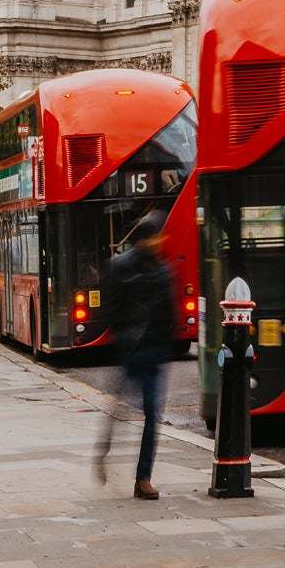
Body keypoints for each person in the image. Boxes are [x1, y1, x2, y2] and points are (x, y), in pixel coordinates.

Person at [93, 211, 177, 500]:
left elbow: (169, 311)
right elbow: (110, 309)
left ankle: (143, 479)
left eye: (160, 236)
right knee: (119, 413)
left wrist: (169, 346)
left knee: (153, 415)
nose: (158, 242)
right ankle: (102, 451)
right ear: (142, 239)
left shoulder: (164, 269)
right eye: (154, 237)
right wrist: (124, 337)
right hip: (132, 351)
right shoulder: (119, 266)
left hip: (155, 352)